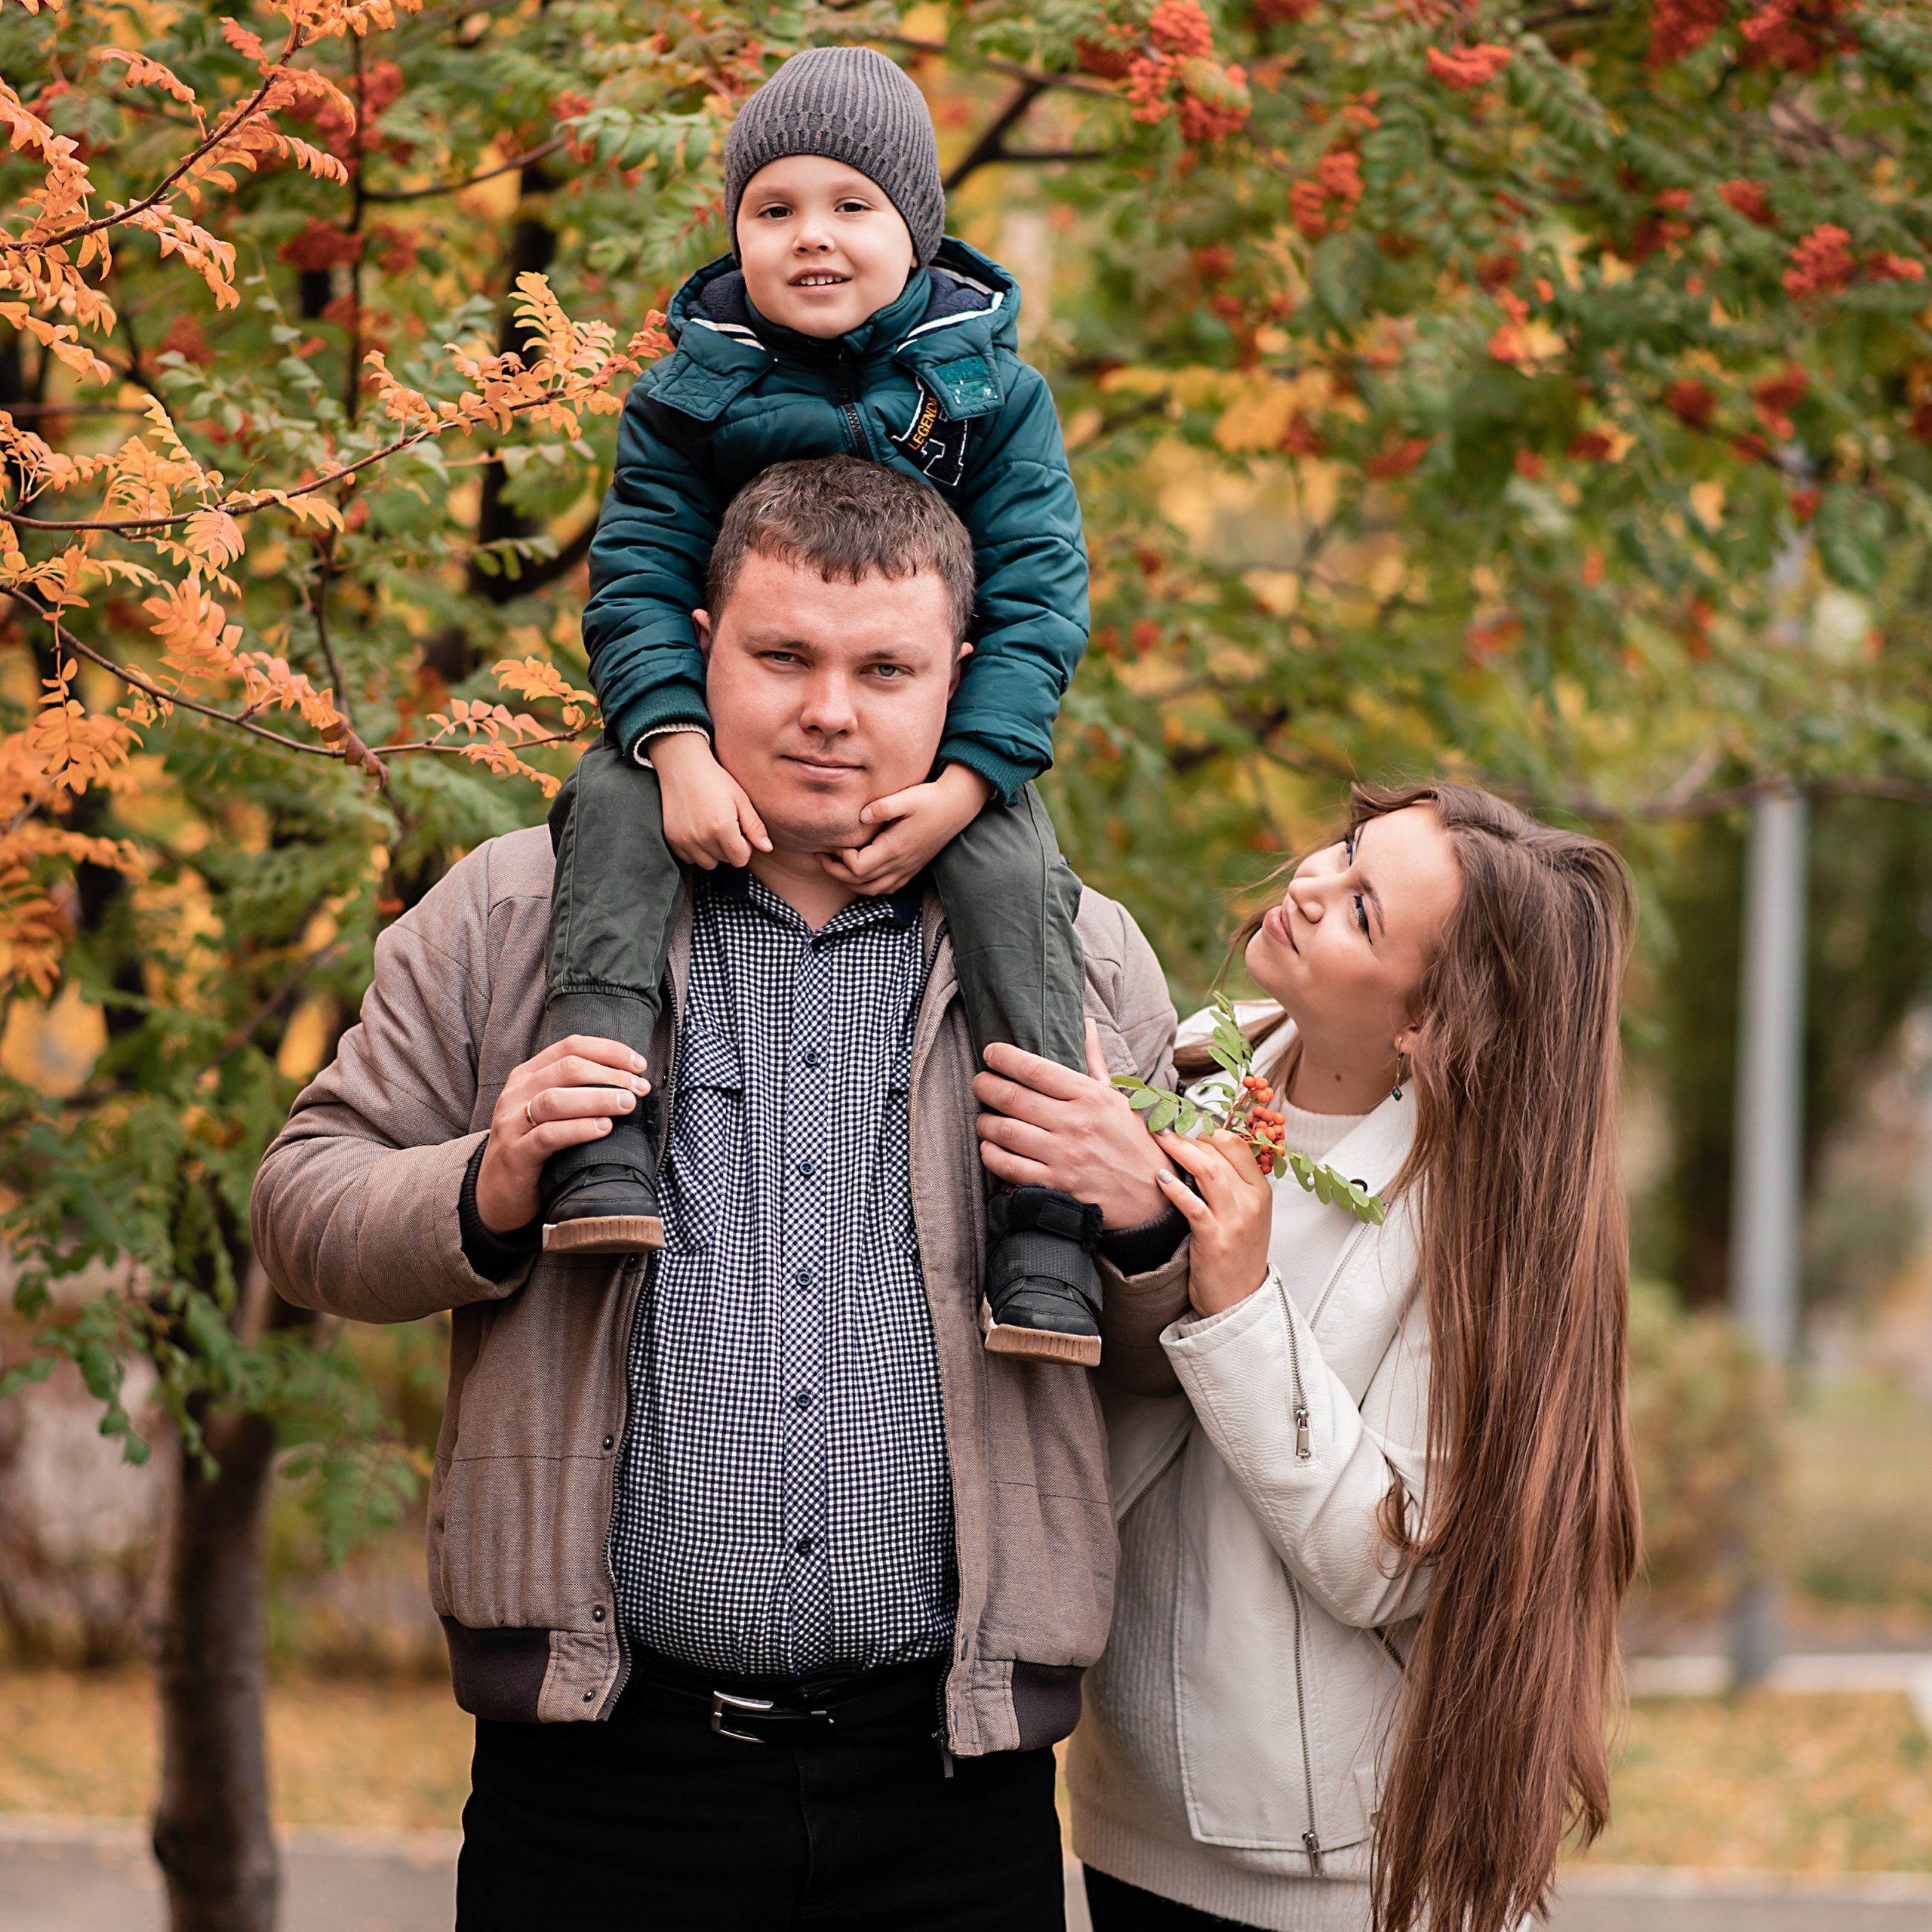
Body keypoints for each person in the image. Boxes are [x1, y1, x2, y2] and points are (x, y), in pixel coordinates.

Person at [249, 459, 1181, 1930]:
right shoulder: (513, 909)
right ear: (698, 648)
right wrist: (485, 1182)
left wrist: (1139, 1218)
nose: (831, 708)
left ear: (959, 677)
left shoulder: (1080, 957)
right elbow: (302, 1205)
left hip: (950, 1786)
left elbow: (1164, 1348)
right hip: (601, 1780)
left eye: (885, 668)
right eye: (783, 656)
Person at [969, 783, 1641, 1932]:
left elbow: (1390, 1558)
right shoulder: (1183, 1083)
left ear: (1430, 1018)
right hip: (1134, 1814)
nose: (1312, 886)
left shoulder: (1473, 1228)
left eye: (1365, 912)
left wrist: (1235, 1299)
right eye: (1344, 852)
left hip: (1344, 1872)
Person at [542, 44, 1104, 1367]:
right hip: (702, 734)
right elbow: (634, 581)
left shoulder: (991, 397)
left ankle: (1045, 1208)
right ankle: (600, 1131)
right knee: (611, 807)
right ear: (735, 232)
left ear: (917, 224)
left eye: (853, 206)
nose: (812, 238)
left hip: (939, 761)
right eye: (774, 209)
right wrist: (676, 745)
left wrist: (964, 784)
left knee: (1014, 869)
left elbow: (1036, 606)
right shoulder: (688, 393)